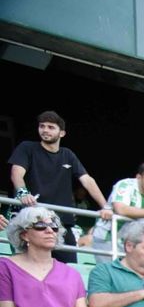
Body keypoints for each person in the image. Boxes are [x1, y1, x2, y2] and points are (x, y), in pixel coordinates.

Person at [8, 110, 112, 261]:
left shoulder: (68, 154)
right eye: (42, 126)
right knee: (27, 268)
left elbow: (87, 180)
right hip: (31, 220)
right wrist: (23, 193)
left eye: (51, 127)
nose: (45, 130)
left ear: (62, 133)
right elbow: (16, 173)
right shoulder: (27, 147)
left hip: (61, 223)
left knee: (67, 269)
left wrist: (105, 206)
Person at [0, 206, 92, 307]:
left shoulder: (72, 273)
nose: (49, 230)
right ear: (24, 235)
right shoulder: (5, 266)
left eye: (54, 227)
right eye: (40, 226)